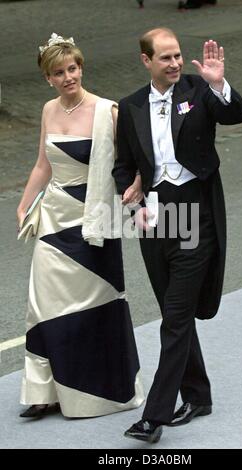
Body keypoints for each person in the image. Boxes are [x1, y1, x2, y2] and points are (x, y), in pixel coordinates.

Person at [112, 28, 242, 443]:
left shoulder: (199, 88)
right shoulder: (131, 105)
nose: (174, 64)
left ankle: (154, 417)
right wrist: (130, 196)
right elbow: (123, 164)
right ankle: (198, 395)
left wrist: (219, 83)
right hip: (156, 221)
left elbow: (235, 115)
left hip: (197, 217)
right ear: (146, 60)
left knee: (173, 318)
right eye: (165, 58)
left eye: (177, 56)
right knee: (176, 313)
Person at [17, 33, 144, 419]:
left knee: (95, 305)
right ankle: (42, 392)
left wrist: (136, 187)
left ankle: (100, 391)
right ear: (48, 78)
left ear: (81, 67)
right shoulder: (47, 110)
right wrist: (25, 205)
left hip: (96, 218)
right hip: (54, 216)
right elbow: (43, 163)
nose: (68, 76)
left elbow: (133, 161)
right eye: (59, 72)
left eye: (72, 68)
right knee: (42, 302)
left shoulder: (109, 111)